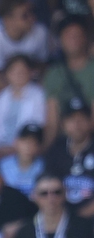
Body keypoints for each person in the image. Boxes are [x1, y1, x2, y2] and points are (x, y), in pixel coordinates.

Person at [0, 0, 51, 102]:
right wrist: (22, 96)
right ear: (8, 20)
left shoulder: (40, 32)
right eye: (24, 16)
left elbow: (43, 69)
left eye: (32, 12)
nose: (32, 18)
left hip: (28, 87)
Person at [42, 16, 94, 147]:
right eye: (69, 36)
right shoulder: (53, 73)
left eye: (77, 35)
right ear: (60, 40)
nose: (73, 40)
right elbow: (52, 120)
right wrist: (46, 149)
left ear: (86, 38)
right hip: (63, 139)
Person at [0, 55, 46, 157]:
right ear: (7, 74)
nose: (18, 75)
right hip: (2, 150)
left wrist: (17, 147)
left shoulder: (39, 95)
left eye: (22, 71)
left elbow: (38, 125)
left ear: (30, 73)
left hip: (28, 151)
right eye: (13, 71)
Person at [44, 97, 94, 217]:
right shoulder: (56, 149)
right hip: (61, 216)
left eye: (82, 119)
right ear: (63, 124)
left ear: (90, 122)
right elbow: (47, 184)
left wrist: (81, 216)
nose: (77, 124)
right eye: (71, 119)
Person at [0, 122, 45, 195]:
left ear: (39, 147)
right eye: (25, 141)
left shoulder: (44, 167)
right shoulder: (2, 165)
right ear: (16, 142)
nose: (28, 146)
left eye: (33, 143)